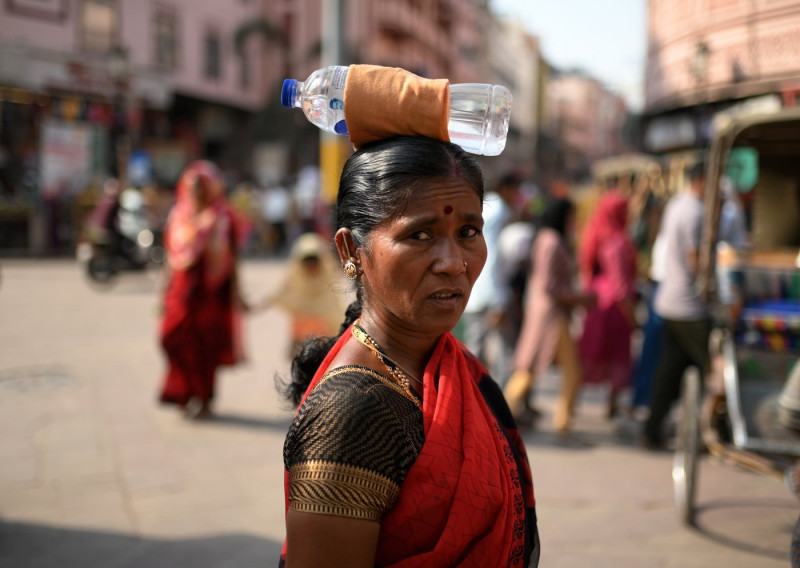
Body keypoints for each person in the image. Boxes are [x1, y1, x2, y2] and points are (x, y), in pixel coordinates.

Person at [280, 136, 539, 567]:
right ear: (351, 252)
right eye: (420, 235)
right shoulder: (351, 414)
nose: (454, 262)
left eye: (468, 232)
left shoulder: (450, 364)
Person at [158, 160, 247, 419]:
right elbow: (170, 256)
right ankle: (182, 391)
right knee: (173, 336)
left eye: (202, 187)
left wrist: (238, 292)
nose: (196, 193)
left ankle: (204, 397)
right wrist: (163, 290)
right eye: (192, 187)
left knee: (206, 346)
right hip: (181, 291)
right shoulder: (178, 216)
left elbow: (233, 257)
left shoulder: (223, 218)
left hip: (212, 292)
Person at [503, 198, 596, 435]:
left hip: (548, 312)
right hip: (551, 316)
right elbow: (550, 286)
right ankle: (502, 416)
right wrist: (579, 299)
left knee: (532, 368)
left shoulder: (545, 238)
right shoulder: (552, 242)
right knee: (540, 369)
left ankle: (559, 422)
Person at [642, 161, 710, 449]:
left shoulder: (677, 205)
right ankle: (710, 432)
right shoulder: (694, 210)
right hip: (688, 304)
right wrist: (707, 286)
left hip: (670, 300)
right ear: (702, 180)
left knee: (670, 369)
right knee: (714, 368)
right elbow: (694, 256)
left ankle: (652, 429)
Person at [578, 191, 638, 418]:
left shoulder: (594, 233)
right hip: (615, 307)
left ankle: (573, 402)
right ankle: (611, 405)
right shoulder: (618, 242)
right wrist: (632, 316)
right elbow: (621, 285)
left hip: (597, 301)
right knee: (618, 356)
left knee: (593, 352)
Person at [460, 173, 520, 382]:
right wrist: (497, 300)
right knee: (488, 349)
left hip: (477, 290)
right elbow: (491, 255)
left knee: (480, 347)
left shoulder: (489, 207)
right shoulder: (499, 210)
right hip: (487, 293)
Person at [256, 232, 346, 357]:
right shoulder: (296, 280)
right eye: (307, 261)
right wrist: (256, 307)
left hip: (324, 340)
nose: (311, 266)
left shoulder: (327, 283)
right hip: (300, 336)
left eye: (314, 261)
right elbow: (277, 295)